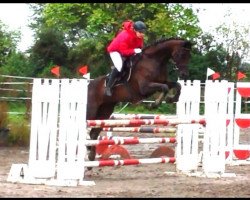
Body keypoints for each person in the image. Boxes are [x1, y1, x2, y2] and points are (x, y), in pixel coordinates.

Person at [105, 20, 147, 96]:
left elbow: (140, 47)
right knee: (119, 66)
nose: (142, 34)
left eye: (143, 32)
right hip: (115, 51)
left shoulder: (139, 36)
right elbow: (124, 52)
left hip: (127, 50)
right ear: (134, 30)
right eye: (140, 32)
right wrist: (134, 50)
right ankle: (108, 87)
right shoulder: (126, 36)